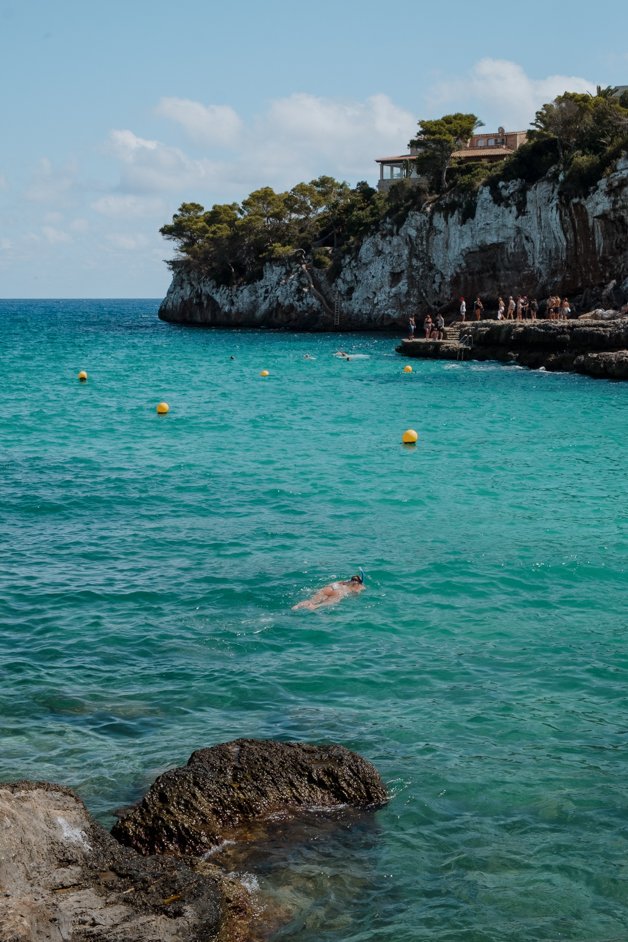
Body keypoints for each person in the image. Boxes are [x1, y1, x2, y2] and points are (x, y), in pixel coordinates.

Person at [292, 572, 365, 611]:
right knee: (323, 603)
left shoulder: (344, 581)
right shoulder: (359, 585)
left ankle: (297, 606)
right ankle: (314, 607)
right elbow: (356, 594)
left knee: (312, 600)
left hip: (330, 588)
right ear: (359, 582)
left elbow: (332, 584)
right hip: (339, 591)